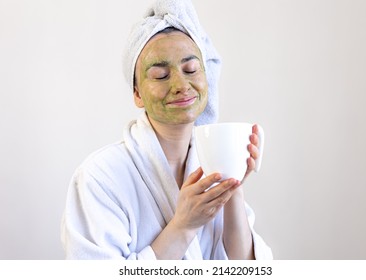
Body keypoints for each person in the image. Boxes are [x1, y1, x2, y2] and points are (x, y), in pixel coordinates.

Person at [61, 0, 272, 260]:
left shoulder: (209, 168)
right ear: (137, 94)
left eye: (191, 69)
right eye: (161, 75)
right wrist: (183, 226)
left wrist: (233, 186)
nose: (181, 85)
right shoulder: (100, 177)